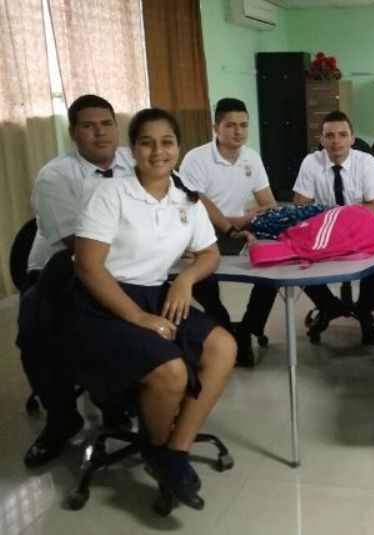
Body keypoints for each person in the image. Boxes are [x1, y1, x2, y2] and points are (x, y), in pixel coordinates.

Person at [66, 108, 236, 509]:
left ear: (179, 147)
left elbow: (210, 253)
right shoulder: (111, 194)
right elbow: (88, 267)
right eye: (147, 143)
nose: (158, 152)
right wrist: (140, 318)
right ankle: (156, 447)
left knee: (223, 347)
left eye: (167, 142)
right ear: (133, 149)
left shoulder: (186, 199)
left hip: (156, 293)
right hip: (102, 303)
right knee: (170, 372)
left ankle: (173, 453)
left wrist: (185, 280)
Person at [17, 94, 135, 468]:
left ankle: (115, 400)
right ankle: (61, 417)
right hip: (57, 270)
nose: (100, 133)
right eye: (88, 126)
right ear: (73, 132)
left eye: (106, 123)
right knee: (34, 329)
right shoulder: (55, 176)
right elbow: (79, 246)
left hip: (125, 264)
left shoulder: (135, 161)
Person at [180, 98, 278, 366]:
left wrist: (259, 216)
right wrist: (240, 219)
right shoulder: (197, 159)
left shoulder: (251, 157)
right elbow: (196, 206)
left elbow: (268, 202)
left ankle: (248, 328)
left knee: (273, 266)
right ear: (216, 128)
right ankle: (222, 326)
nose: (239, 132)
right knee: (204, 275)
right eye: (231, 125)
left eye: (244, 125)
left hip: (239, 227)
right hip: (201, 232)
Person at [293, 110, 374, 345]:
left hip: (358, 230)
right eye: (330, 136)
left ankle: (364, 309)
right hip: (324, 232)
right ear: (322, 140)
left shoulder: (366, 162)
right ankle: (327, 305)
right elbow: (301, 206)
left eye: (343, 135)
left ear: (352, 138)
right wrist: (332, 223)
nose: (336, 141)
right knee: (294, 257)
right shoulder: (311, 162)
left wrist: (339, 220)